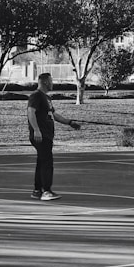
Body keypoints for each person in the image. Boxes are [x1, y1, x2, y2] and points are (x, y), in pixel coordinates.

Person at [27, 73, 80, 201]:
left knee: (42, 161)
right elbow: (31, 112)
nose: (52, 83)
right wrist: (36, 130)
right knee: (47, 163)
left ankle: (37, 190)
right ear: (45, 82)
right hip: (41, 135)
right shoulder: (36, 96)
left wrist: (70, 122)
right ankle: (46, 191)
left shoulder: (47, 98)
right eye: (51, 81)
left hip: (47, 134)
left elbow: (54, 115)